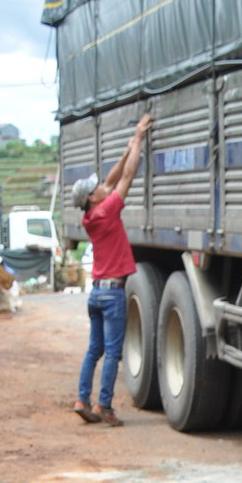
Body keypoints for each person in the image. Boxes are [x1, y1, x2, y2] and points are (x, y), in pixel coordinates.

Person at [71, 114, 152, 425]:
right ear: (93, 198)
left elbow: (110, 179)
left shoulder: (92, 214)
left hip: (96, 294)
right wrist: (140, 139)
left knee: (94, 350)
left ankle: (82, 399)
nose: (103, 186)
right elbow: (127, 177)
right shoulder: (107, 210)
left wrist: (128, 147)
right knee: (113, 353)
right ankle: (104, 407)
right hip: (112, 295)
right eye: (97, 188)